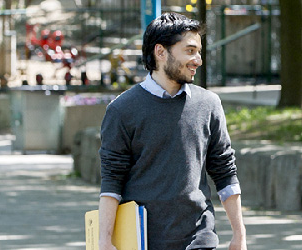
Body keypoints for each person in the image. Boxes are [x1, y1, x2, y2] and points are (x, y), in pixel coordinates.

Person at [97, 13, 246, 250]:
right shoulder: (121, 110)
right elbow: (112, 179)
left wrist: (239, 235)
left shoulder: (209, 104)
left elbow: (225, 171)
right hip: (143, 240)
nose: (198, 59)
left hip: (200, 239)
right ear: (160, 52)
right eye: (190, 51)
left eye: (199, 51)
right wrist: (104, 240)